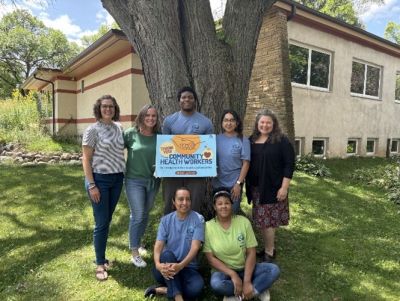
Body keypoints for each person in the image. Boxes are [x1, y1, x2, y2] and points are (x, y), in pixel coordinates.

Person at [204, 190, 280, 301]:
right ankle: (258, 289)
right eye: (219, 204)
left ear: (231, 205)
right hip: (224, 272)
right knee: (217, 285)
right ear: (214, 207)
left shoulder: (243, 222)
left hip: (246, 268)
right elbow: (210, 258)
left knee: (274, 270)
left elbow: (251, 252)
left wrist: (247, 281)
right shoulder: (208, 226)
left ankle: (242, 293)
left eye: (227, 203)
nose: (223, 206)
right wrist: (233, 275)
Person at [82, 95, 125, 281]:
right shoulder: (92, 130)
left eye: (111, 106)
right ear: (98, 109)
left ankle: (102, 257)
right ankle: (100, 263)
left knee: (106, 219)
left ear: (115, 109)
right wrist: (92, 185)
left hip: (117, 179)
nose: (108, 109)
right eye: (104, 106)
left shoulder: (119, 128)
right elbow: (85, 158)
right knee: (101, 223)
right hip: (99, 180)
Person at [246, 109, 295, 262]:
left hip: (273, 187)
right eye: (262, 122)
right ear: (257, 123)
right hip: (256, 188)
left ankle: (269, 251)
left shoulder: (281, 140)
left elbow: (289, 164)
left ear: (274, 124)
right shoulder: (251, 140)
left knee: (267, 222)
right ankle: (268, 248)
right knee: (261, 220)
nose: (265, 125)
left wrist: (284, 187)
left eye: (268, 122)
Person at [144, 187, 205, 301]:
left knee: (196, 288)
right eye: (180, 199)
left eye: (188, 199)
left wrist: (180, 266)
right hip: (166, 267)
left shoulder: (198, 219)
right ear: (173, 202)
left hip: (188, 267)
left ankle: (164, 290)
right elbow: (158, 245)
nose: (184, 203)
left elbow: (195, 247)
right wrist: (157, 264)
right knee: (167, 254)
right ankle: (178, 297)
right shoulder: (165, 220)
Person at [162, 86, 213, 214]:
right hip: (173, 171)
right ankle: (169, 230)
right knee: (169, 202)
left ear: (195, 100)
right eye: (183, 97)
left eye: (190, 97)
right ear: (179, 100)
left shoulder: (206, 122)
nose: (187, 99)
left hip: (196, 172)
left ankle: (192, 230)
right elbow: (164, 147)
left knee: (194, 203)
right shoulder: (169, 121)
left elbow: (209, 148)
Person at [124, 104, 161, 268]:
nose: (151, 119)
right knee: (137, 214)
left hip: (153, 181)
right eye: (147, 115)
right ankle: (134, 252)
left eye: (153, 116)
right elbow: (113, 149)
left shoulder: (160, 137)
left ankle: (138, 243)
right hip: (134, 180)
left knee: (145, 214)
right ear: (141, 116)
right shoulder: (130, 134)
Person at [212, 109, 250, 214]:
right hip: (217, 183)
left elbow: (246, 164)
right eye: (226, 120)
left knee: (232, 212)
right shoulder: (214, 139)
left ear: (237, 123)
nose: (229, 123)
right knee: (220, 211)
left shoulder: (243, 140)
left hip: (234, 184)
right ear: (222, 123)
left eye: (232, 120)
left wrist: (238, 183)